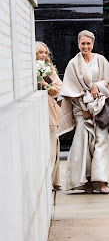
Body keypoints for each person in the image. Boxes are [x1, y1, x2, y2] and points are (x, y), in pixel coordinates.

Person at [57, 30, 109, 194]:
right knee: (83, 145)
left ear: (93, 44)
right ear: (78, 44)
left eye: (89, 43)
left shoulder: (101, 60)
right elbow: (69, 89)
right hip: (81, 110)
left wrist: (97, 85)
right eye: (83, 43)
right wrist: (84, 109)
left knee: (102, 142)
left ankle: (103, 181)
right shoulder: (73, 64)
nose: (86, 46)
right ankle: (86, 181)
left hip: (101, 107)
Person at [35, 41, 63, 191]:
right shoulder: (30, 69)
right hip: (35, 111)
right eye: (40, 52)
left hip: (50, 110)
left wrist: (45, 85)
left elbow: (57, 89)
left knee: (53, 146)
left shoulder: (49, 70)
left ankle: (53, 180)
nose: (43, 55)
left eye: (45, 53)